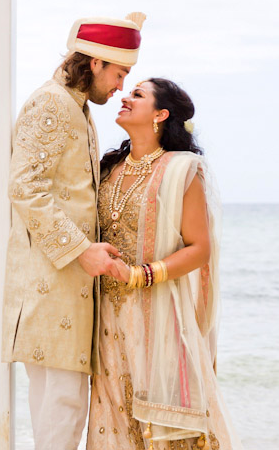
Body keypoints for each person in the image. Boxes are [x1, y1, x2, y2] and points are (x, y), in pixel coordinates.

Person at [2, 13, 146, 450]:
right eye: (119, 74)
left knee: (59, 407)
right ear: (97, 63)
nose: (120, 86)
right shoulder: (52, 103)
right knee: (61, 407)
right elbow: (24, 186)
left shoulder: (75, 106)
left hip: (63, 285)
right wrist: (82, 251)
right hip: (51, 284)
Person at [87, 78, 242, 450]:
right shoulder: (108, 168)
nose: (124, 96)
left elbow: (199, 247)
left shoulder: (183, 170)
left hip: (157, 315)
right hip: (108, 319)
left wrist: (140, 276)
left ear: (161, 114)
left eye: (137, 94)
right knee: (116, 421)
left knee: (165, 432)